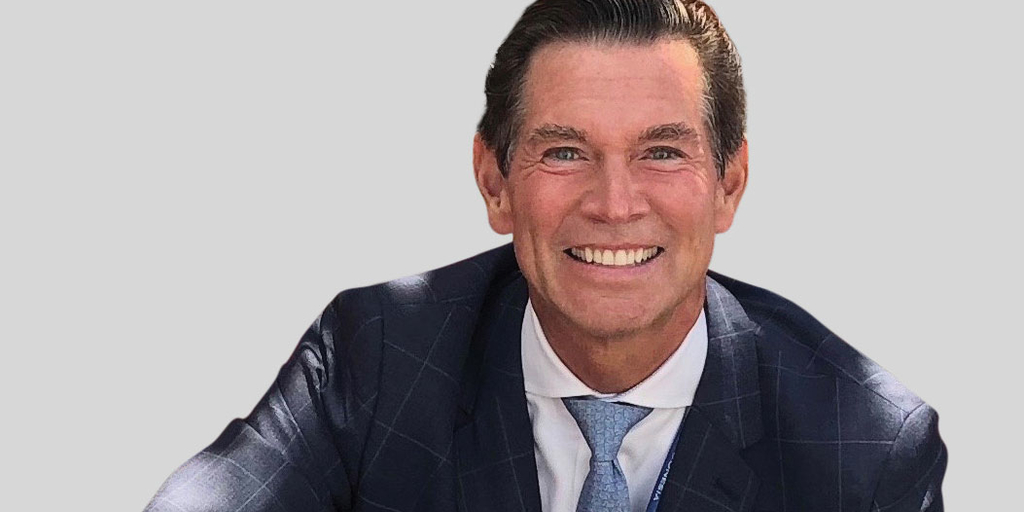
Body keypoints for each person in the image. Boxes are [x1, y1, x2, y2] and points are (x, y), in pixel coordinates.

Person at [144, 1, 946, 510]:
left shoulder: (866, 449)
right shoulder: (376, 359)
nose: (615, 204)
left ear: (729, 186)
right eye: (564, 152)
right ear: (494, 181)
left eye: (662, 153)